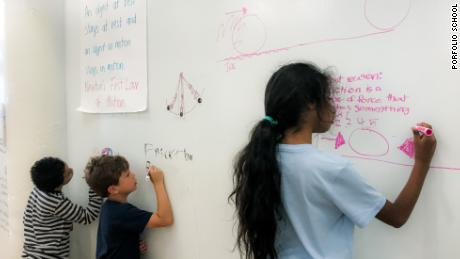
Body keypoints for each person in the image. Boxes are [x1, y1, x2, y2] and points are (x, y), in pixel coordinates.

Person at [229, 62, 437, 259]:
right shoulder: (330, 169)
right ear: (311, 105)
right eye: (328, 98)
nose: (334, 107)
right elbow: (397, 216)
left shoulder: (262, 159)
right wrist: (422, 161)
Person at [85, 155, 173, 259]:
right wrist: (158, 183)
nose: (133, 174)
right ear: (113, 189)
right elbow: (165, 219)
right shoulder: (122, 212)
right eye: (127, 175)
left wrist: (131, 246)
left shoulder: (108, 207)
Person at [22, 157, 103, 258]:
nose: (72, 170)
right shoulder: (56, 202)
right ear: (59, 182)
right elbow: (87, 217)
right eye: (68, 172)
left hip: (31, 253)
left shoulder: (38, 189)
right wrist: (94, 184)